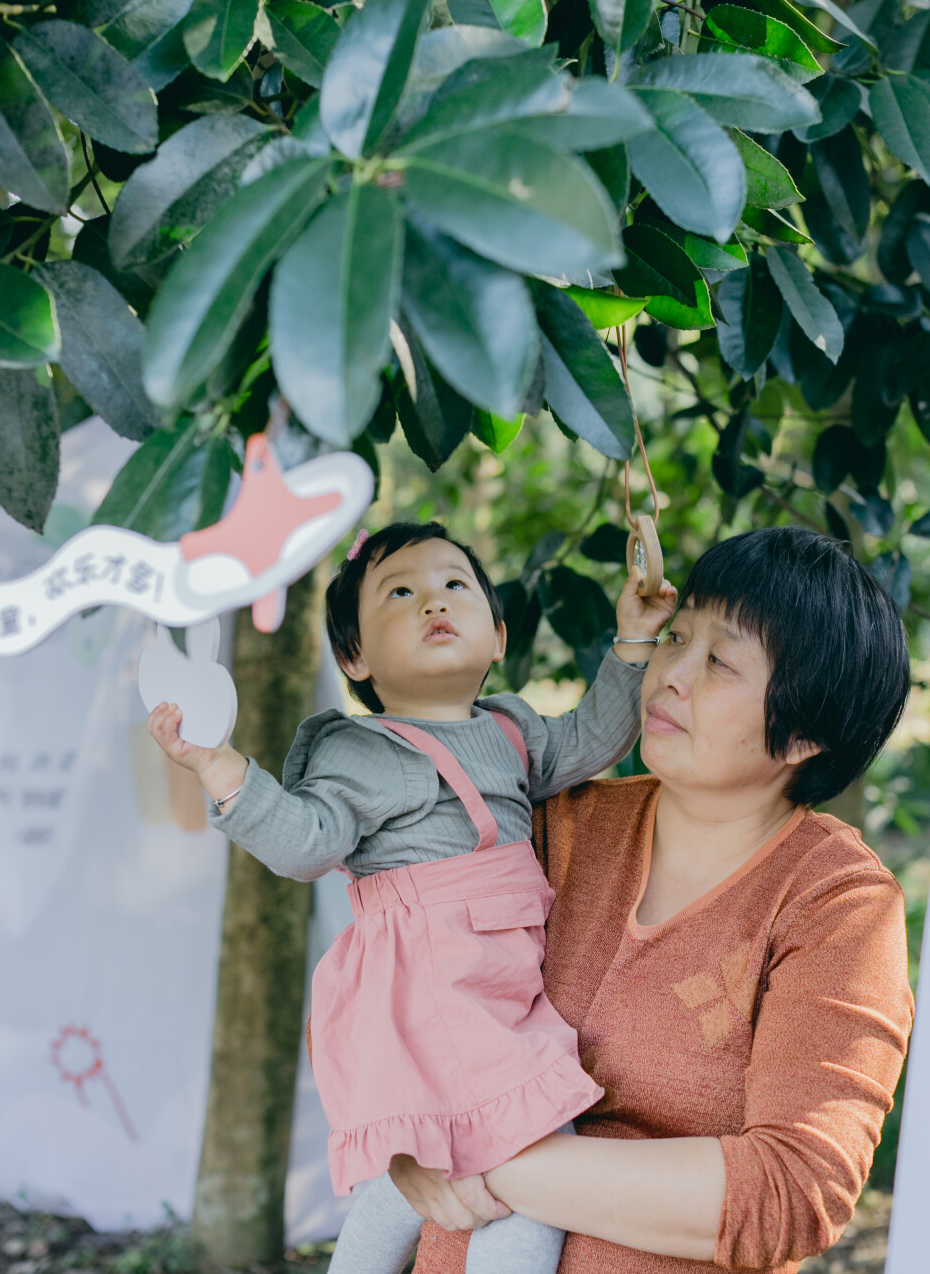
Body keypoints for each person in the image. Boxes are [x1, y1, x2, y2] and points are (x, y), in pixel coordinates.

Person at [146, 521, 675, 1274]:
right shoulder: (362, 750)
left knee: (434, 1171)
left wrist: (632, 642)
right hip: (432, 996)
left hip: (494, 990)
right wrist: (222, 767)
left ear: (497, 636)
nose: (434, 602)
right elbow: (307, 843)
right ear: (353, 656)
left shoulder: (511, 731)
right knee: (536, 1169)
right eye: (401, 592)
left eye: (454, 585)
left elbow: (595, 737)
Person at [389, 526, 914, 1274]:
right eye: (675, 637)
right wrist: (400, 1135)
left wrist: (491, 1161)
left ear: (802, 733)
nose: (671, 673)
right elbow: (377, 979)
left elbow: (795, 1189)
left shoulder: (838, 903)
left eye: (720, 660)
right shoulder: (549, 825)